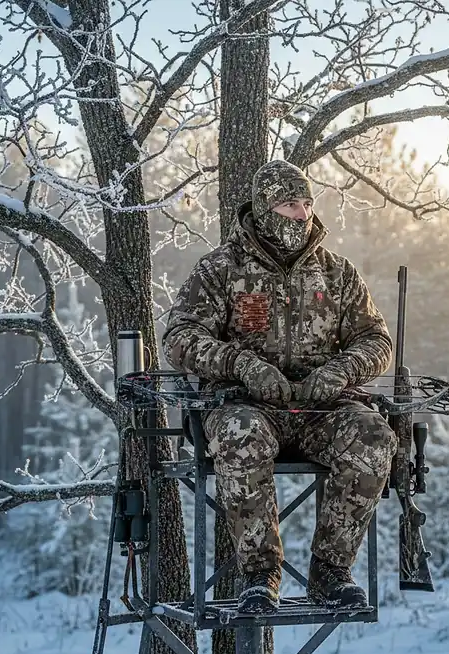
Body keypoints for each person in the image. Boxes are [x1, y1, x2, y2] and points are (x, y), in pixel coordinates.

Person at [162, 160, 397, 614]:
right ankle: (258, 575)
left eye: (307, 204)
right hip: (245, 405)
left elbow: (377, 340)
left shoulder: (337, 273)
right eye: (291, 204)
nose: (303, 214)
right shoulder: (220, 270)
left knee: (374, 438)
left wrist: (341, 371)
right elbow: (180, 338)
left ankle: (331, 574)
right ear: (266, 208)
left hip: (322, 408)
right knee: (241, 434)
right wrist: (242, 365)